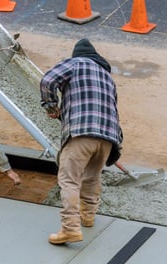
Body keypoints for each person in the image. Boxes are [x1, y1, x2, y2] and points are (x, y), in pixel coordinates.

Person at [40, 39, 123, 244]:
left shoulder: (76, 63)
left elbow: (48, 80)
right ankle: (87, 217)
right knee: (92, 177)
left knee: (69, 180)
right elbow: (114, 108)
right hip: (108, 138)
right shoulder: (107, 78)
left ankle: (70, 228)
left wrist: (51, 106)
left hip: (81, 132)